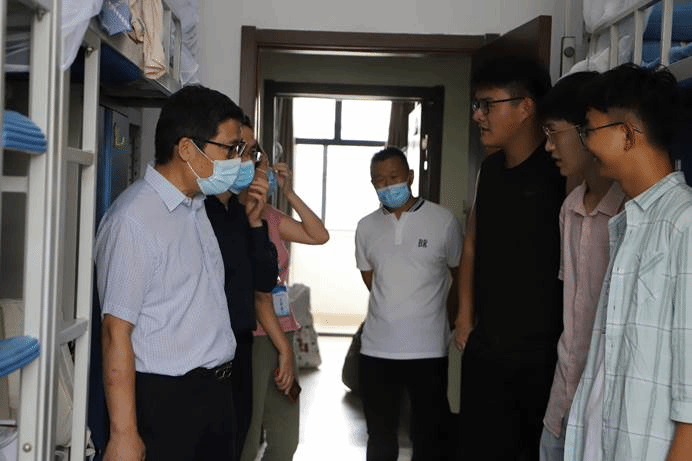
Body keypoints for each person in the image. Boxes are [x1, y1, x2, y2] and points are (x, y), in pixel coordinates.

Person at [94, 85, 246, 461]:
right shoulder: (134, 220)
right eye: (229, 149)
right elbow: (115, 331)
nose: (236, 160)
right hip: (168, 402)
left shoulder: (195, 206)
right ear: (187, 149)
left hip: (215, 394)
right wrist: (124, 433)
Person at [564, 64, 692, 461]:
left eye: (589, 130)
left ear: (627, 134)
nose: (586, 143)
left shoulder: (683, 224)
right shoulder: (630, 223)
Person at [453, 56, 564, 460]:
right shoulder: (490, 170)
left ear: (525, 106)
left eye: (488, 105)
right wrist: (464, 317)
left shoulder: (560, 172)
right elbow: (471, 242)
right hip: (486, 342)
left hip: (541, 350)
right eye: (476, 106)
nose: (478, 116)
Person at [537, 71, 627, 461]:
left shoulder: (629, 212)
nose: (548, 146)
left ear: (586, 129)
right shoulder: (570, 207)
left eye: (553, 133)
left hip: (605, 410)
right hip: (561, 401)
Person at [355, 147, 462, 461]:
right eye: (379, 180)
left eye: (394, 177)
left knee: (428, 436)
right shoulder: (366, 227)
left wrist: (451, 321)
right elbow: (372, 281)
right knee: (379, 436)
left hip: (428, 350)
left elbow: (460, 276)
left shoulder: (443, 221)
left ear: (410, 177)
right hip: (376, 349)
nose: (387, 185)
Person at [240, 142, 329, 461]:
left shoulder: (272, 217)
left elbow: (319, 235)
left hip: (282, 331)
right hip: (253, 337)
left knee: (285, 438)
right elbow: (257, 295)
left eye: (266, 168)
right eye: (258, 168)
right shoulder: (230, 219)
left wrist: (289, 193)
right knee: (248, 437)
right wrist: (282, 348)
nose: (264, 175)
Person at [203, 114, 280, 460]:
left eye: (252, 153)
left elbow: (265, 281)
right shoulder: (195, 212)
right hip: (201, 355)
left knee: (234, 443)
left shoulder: (239, 212)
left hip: (239, 349)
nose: (247, 161)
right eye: (239, 150)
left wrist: (255, 222)